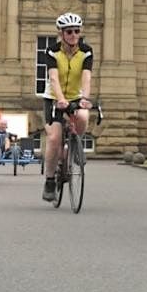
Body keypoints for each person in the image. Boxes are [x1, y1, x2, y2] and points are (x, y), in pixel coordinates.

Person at [40, 12, 93, 202]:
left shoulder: (86, 52)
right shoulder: (52, 51)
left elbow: (86, 77)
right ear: (61, 33)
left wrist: (85, 98)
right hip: (54, 98)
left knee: (84, 116)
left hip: (75, 96)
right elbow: (53, 78)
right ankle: (50, 180)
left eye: (76, 31)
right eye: (69, 31)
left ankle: (74, 148)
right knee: (54, 138)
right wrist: (60, 99)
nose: (73, 35)